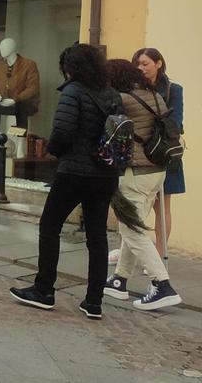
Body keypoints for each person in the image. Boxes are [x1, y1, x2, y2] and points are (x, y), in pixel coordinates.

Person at [11, 43, 121, 320]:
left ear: (70, 68)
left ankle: (44, 290)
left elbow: (62, 130)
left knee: (50, 226)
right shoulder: (112, 94)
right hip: (106, 173)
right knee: (97, 236)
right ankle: (94, 301)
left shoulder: (73, 92)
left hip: (75, 170)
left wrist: (55, 152)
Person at [102, 60, 183, 310]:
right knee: (134, 224)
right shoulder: (155, 95)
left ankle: (162, 284)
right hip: (156, 172)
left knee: (131, 231)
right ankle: (120, 279)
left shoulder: (123, 99)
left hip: (134, 174)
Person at [132, 48, 184, 257]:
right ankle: (132, 251)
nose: (140, 68)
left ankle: (160, 252)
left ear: (158, 63)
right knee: (133, 206)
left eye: (145, 63)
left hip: (162, 151)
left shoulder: (173, 89)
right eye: (137, 64)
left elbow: (175, 121)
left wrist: (150, 128)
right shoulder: (132, 89)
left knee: (162, 207)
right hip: (138, 153)